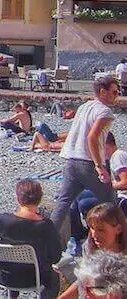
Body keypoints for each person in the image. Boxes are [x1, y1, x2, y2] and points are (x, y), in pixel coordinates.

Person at [51, 76, 119, 243]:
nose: (117, 96)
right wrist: (99, 166)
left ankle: (45, 241)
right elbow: (92, 138)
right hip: (88, 163)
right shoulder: (104, 112)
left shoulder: (84, 107)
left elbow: (77, 132)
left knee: (63, 204)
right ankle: (121, 243)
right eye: (114, 92)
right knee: (111, 204)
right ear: (103, 92)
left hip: (71, 160)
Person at [0, 180, 62, 299]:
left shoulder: (0, 221)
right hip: (35, 277)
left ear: (18, 198)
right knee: (54, 279)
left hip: (5, 276)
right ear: (39, 199)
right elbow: (55, 257)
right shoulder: (46, 225)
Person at [58, 203, 127, 299]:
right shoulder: (89, 246)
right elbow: (85, 279)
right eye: (92, 228)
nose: (94, 235)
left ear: (118, 229)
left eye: (101, 230)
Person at [70, 133, 127, 242]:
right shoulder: (115, 157)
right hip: (118, 196)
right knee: (79, 195)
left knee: (85, 202)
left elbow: (125, 182)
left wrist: (110, 183)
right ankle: (81, 233)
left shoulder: (118, 156)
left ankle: (83, 234)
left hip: (122, 199)